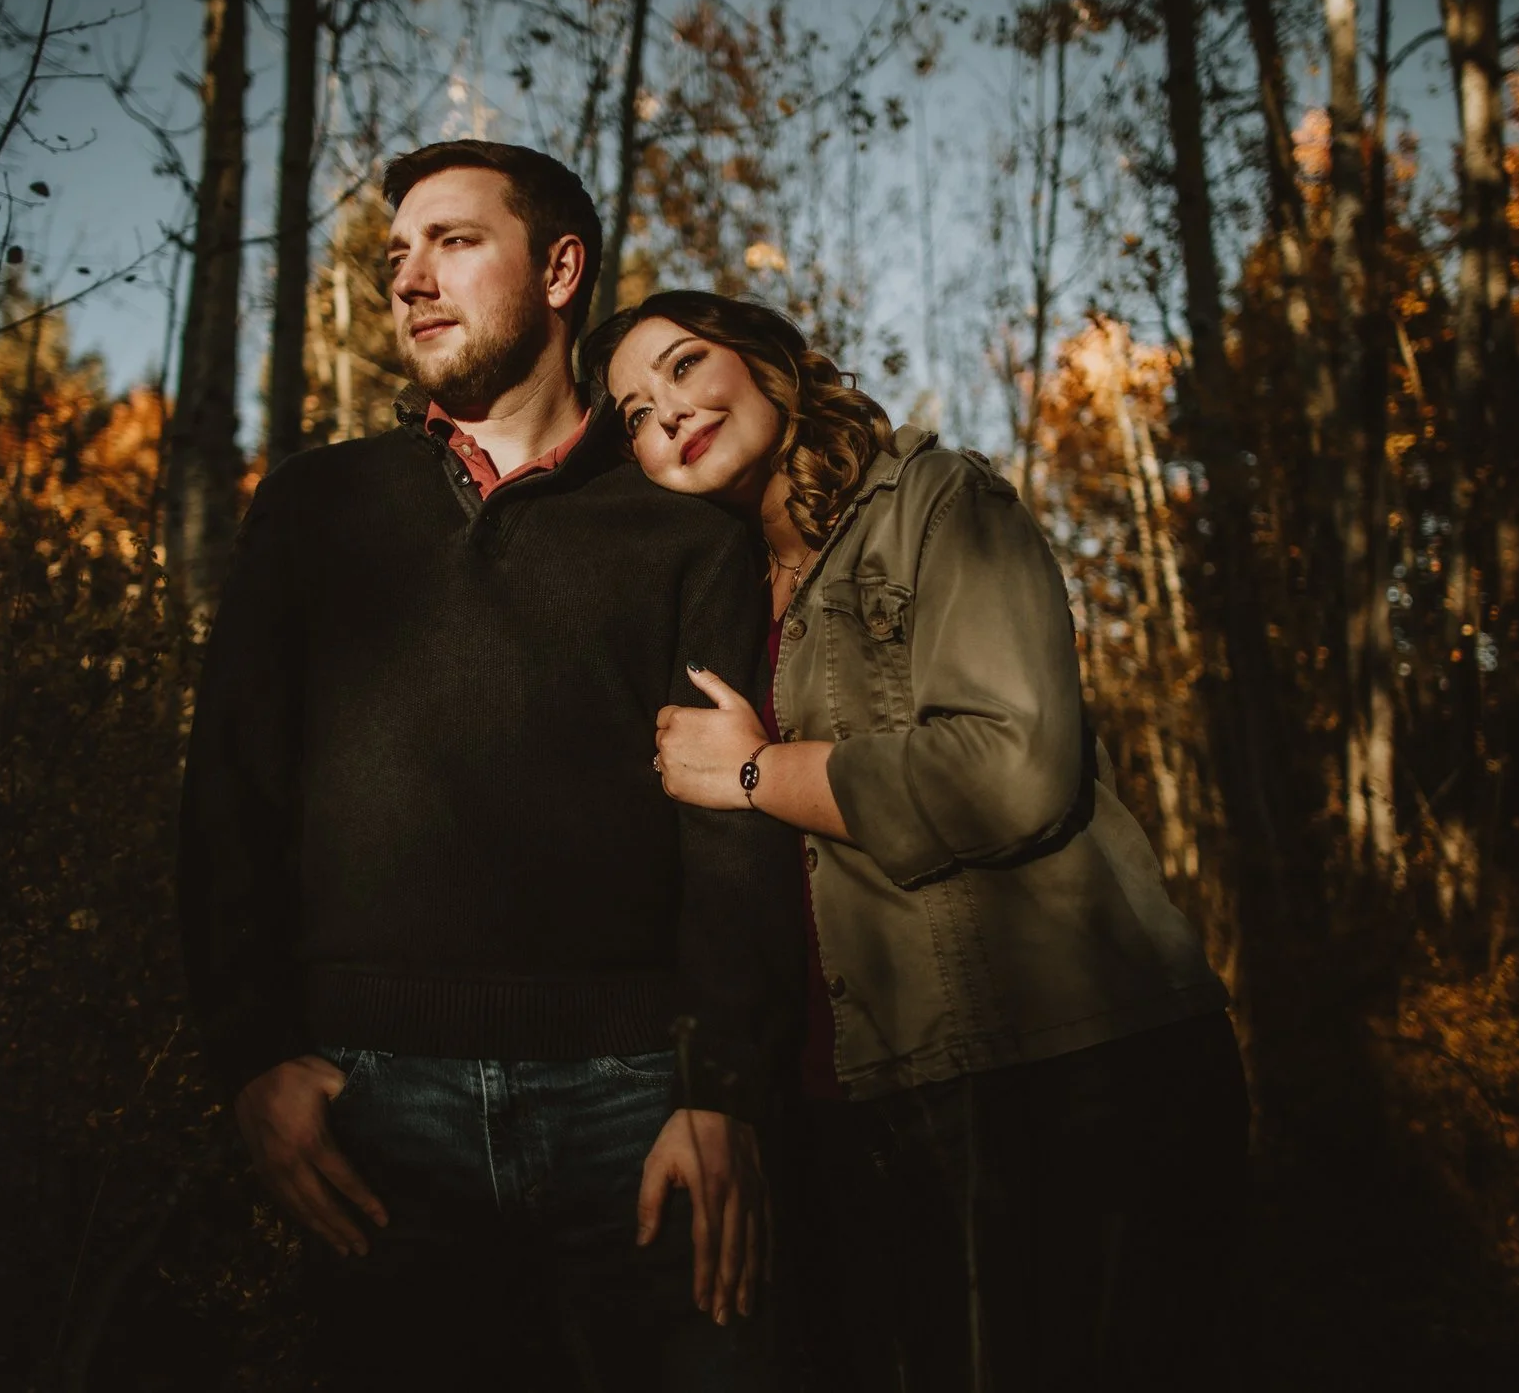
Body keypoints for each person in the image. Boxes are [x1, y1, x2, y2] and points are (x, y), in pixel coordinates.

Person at [178, 149, 803, 1392]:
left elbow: (732, 828)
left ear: (560, 268)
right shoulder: (317, 505)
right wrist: (248, 1055)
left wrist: (723, 1086)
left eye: (452, 242)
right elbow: (227, 794)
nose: (409, 278)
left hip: (636, 1109)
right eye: (395, 255)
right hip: (373, 1111)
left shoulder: (680, 532)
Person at [587, 290, 1250, 1392]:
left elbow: (1012, 769)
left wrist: (758, 773)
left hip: (1060, 1064)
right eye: (633, 413)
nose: (665, 411)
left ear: (769, 363)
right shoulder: (719, 593)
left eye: (686, 364)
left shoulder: (935, 503)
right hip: (857, 1092)